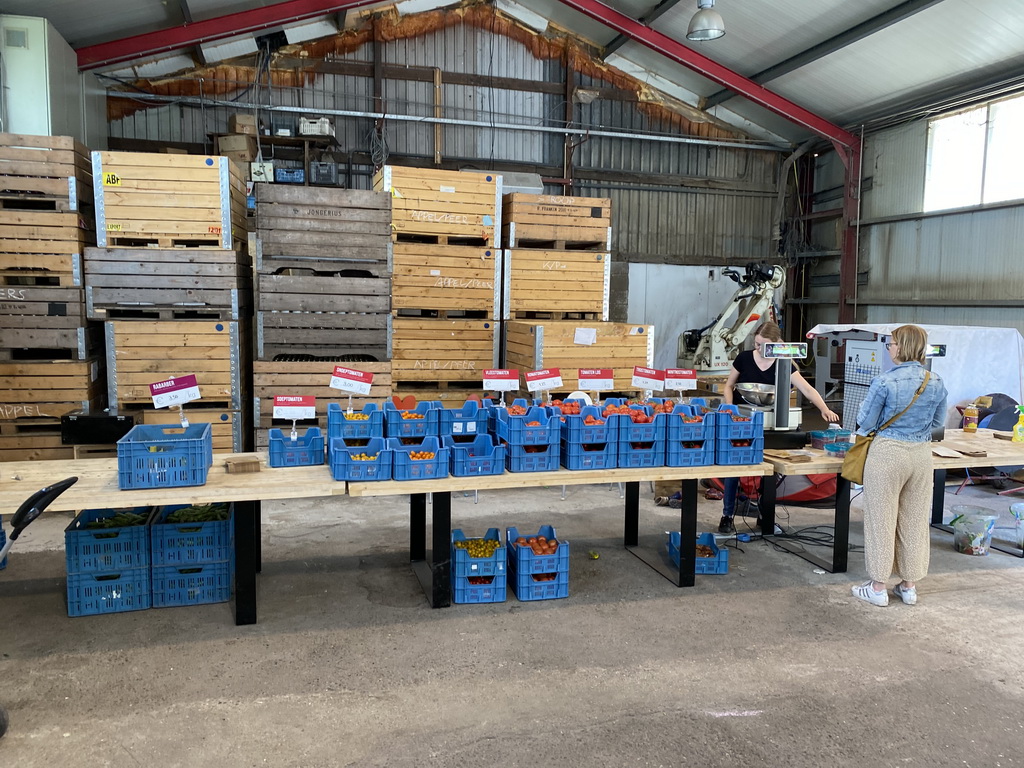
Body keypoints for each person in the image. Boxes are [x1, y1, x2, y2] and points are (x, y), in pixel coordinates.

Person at [850, 324, 947, 607]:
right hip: (920, 455)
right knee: (915, 520)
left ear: (902, 347)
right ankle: (909, 586)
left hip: (888, 453)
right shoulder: (936, 381)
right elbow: (939, 423)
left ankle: (878, 587)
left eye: (891, 344)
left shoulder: (884, 382)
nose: (889, 348)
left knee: (881, 519)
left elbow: (865, 422)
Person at [718, 321, 840, 534]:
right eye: (756, 344)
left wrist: (824, 409)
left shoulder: (785, 364)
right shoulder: (744, 359)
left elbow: (807, 389)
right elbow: (729, 386)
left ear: (776, 344)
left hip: (772, 422)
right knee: (734, 468)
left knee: (770, 470)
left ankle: (765, 516)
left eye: (763, 345)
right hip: (741, 420)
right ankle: (727, 515)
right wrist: (730, 409)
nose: (758, 349)